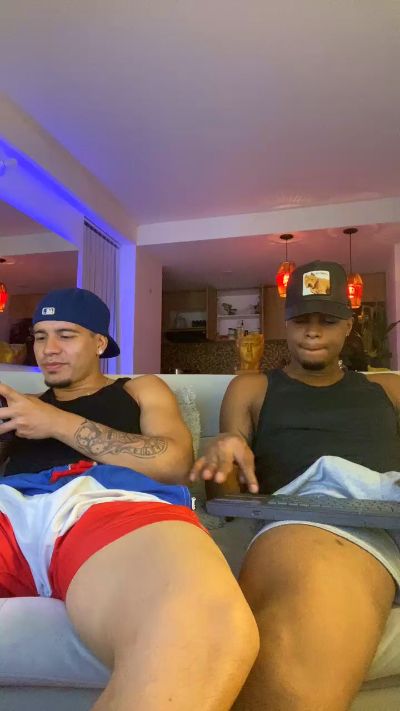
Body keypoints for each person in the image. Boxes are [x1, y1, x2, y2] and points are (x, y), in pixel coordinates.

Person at [0, 288, 258, 711]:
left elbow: (174, 462)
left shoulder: (139, 388)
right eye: (41, 336)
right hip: (11, 504)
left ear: (100, 342)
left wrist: (55, 422)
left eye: (66, 335)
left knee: (202, 627)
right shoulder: (20, 406)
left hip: (110, 504)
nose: (49, 349)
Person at [191, 261, 400, 711]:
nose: (313, 331)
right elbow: (227, 500)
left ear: (348, 326)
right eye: (302, 319)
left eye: (328, 320)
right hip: (289, 516)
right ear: (285, 324)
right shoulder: (252, 388)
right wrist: (224, 450)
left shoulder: (387, 389)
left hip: (377, 516)